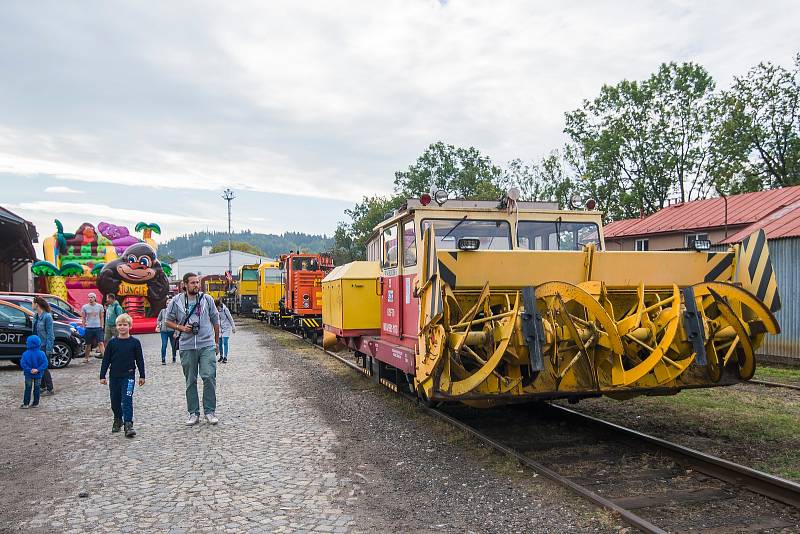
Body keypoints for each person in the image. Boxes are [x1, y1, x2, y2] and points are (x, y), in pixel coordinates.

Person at [165, 272, 220, 426]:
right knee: (190, 380)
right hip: (186, 345)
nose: (196, 285)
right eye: (193, 283)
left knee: (208, 376)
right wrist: (181, 327)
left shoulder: (207, 299)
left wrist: (216, 343)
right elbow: (167, 321)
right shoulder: (176, 302)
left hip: (206, 344)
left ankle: (209, 411)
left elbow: (216, 321)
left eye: (198, 282)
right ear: (185, 285)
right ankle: (193, 413)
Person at [100, 314, 145, 438]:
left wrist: (142, 375)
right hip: (114, 376)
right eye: (120, 325)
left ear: (130, 326)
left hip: (129, 376)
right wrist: (102, 375)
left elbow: (139, 360)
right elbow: (106, 360)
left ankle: (128, 424)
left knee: (127, 399)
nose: (122, 327)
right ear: (116, 327)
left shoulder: (135, 343)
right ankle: (117, 419)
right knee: (115, 400)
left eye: (125, 325)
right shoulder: (112, 343)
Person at [31, 297, 55, 396]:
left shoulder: (47, 317)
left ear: (37, 304)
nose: (31, 305)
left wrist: (49, 349)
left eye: (32, 303)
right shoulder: (36, 315)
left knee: (43, 367)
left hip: (44, 345)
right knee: (37, 366)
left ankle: (50, 389)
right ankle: (42, 387)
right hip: (36, 346)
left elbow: (50, 335)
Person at [20, 335, 48, 408]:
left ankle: (26, 404)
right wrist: (38, 369)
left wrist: (29, 370)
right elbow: (45, 363)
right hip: (38, 374)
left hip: (28, 374)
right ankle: (36, 403)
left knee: (28, 388)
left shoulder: (25, 354)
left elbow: (23, 364)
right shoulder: (42, 353)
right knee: (37, 388)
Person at [81, 293, 105, 362]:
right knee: (88, 344)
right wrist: (83, 326)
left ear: (95, 298)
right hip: (89, 327)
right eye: (89, 297)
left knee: (100, 343)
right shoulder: (85, 307)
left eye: (91, 297)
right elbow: (83, 317)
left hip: (98, 327)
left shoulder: (100, 306)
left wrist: (102, 325)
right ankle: (86, 358)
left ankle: (105, 357)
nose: (90, 299)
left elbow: (101, 317)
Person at [156, 297, 178, 365]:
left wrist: (176, 332)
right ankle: (163, 359)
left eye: (170, 303)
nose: (168, 304)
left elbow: (177, 322)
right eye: (167, 303)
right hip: (164, 331)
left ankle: (174, 357)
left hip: (172, 331)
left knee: (173, 345)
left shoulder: (174, 312)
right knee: (164, 345)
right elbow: (159, 319)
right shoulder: (162, 311)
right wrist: (159, 324)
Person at [215, 298, 235, 363]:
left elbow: (230, 318)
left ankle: (225, 357)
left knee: (225, 342)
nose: (216, 309)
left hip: (226, 328)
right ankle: (221, 356)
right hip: (220, 328)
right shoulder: (216, 311)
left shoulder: (225, 310)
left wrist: (233, 327)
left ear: (218, 306)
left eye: (216, 307)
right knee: (220, 342)